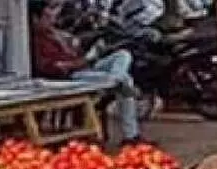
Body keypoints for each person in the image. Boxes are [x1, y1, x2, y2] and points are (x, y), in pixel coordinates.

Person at [29, 0, 144, 144]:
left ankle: (115, 80)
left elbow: (77, 52)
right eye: (47, 15)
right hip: (72, 77)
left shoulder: (56, 34)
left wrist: (87, 52)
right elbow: (55, 67)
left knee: (123, 55)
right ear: (35, 18)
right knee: (126, 80)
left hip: (86, 68)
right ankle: (131, 135)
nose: (53, 17)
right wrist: (82, 61)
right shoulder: (35, 40)